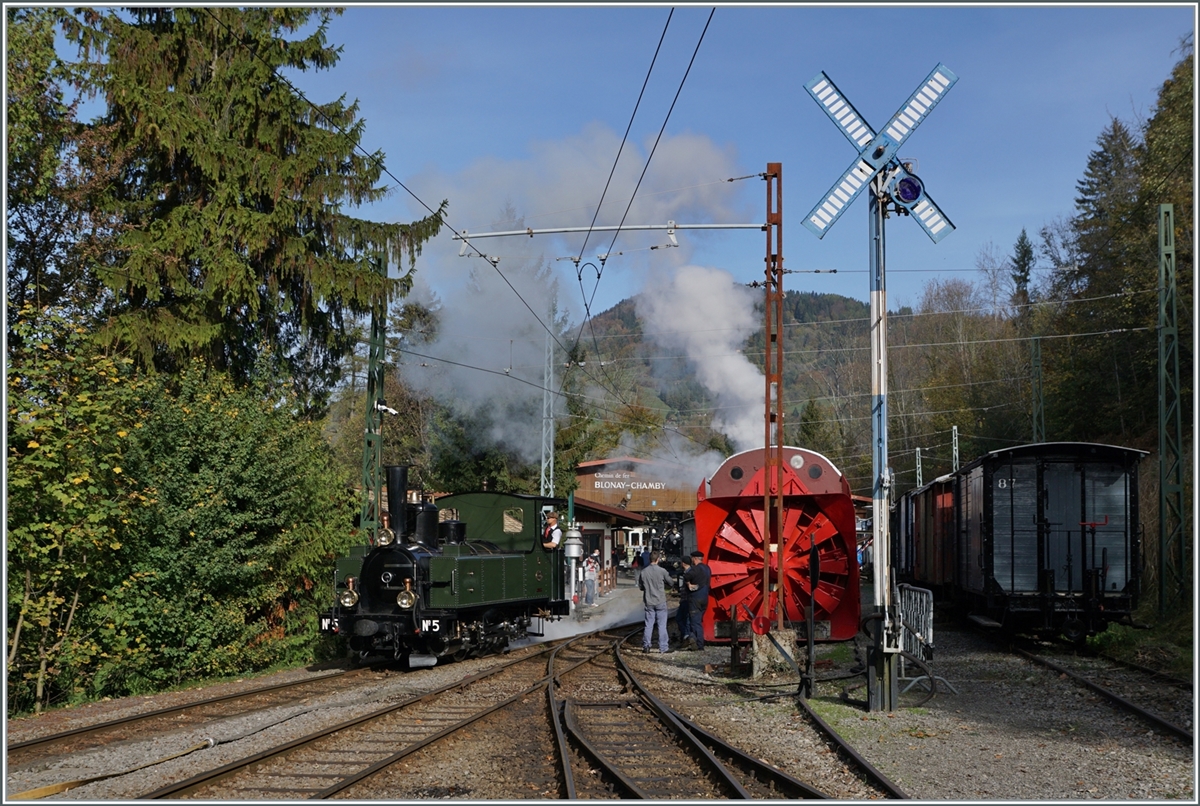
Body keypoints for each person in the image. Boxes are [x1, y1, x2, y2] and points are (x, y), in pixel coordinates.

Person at [638, 550, 676, 653]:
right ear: (658, 559)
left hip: (649, 601)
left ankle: (646, 646)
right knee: (662, 625)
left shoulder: (643, 572)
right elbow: (671, 582)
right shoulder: (662, 571)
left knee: (648, 624)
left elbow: (641, 587)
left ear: (649, 559)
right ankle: (663, 647)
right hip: (660, 600)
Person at [681, 550, 711, 650]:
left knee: (695, 622)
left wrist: (689, 584)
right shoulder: (707, 568)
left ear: (695, 558)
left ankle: (699, 645)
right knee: (698, 621)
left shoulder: (695, 569)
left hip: (695, 598)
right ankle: (693, 641)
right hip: (705, 597)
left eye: (692, 559)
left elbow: (686, 576)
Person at [674, 554, 693, 647]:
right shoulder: (687, 572)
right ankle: (685, 636)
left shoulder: (689, 574)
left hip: (686, 600)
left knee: (682, 618)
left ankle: (686, 636)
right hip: (685, 599)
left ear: (684, 563)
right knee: (682, 618)